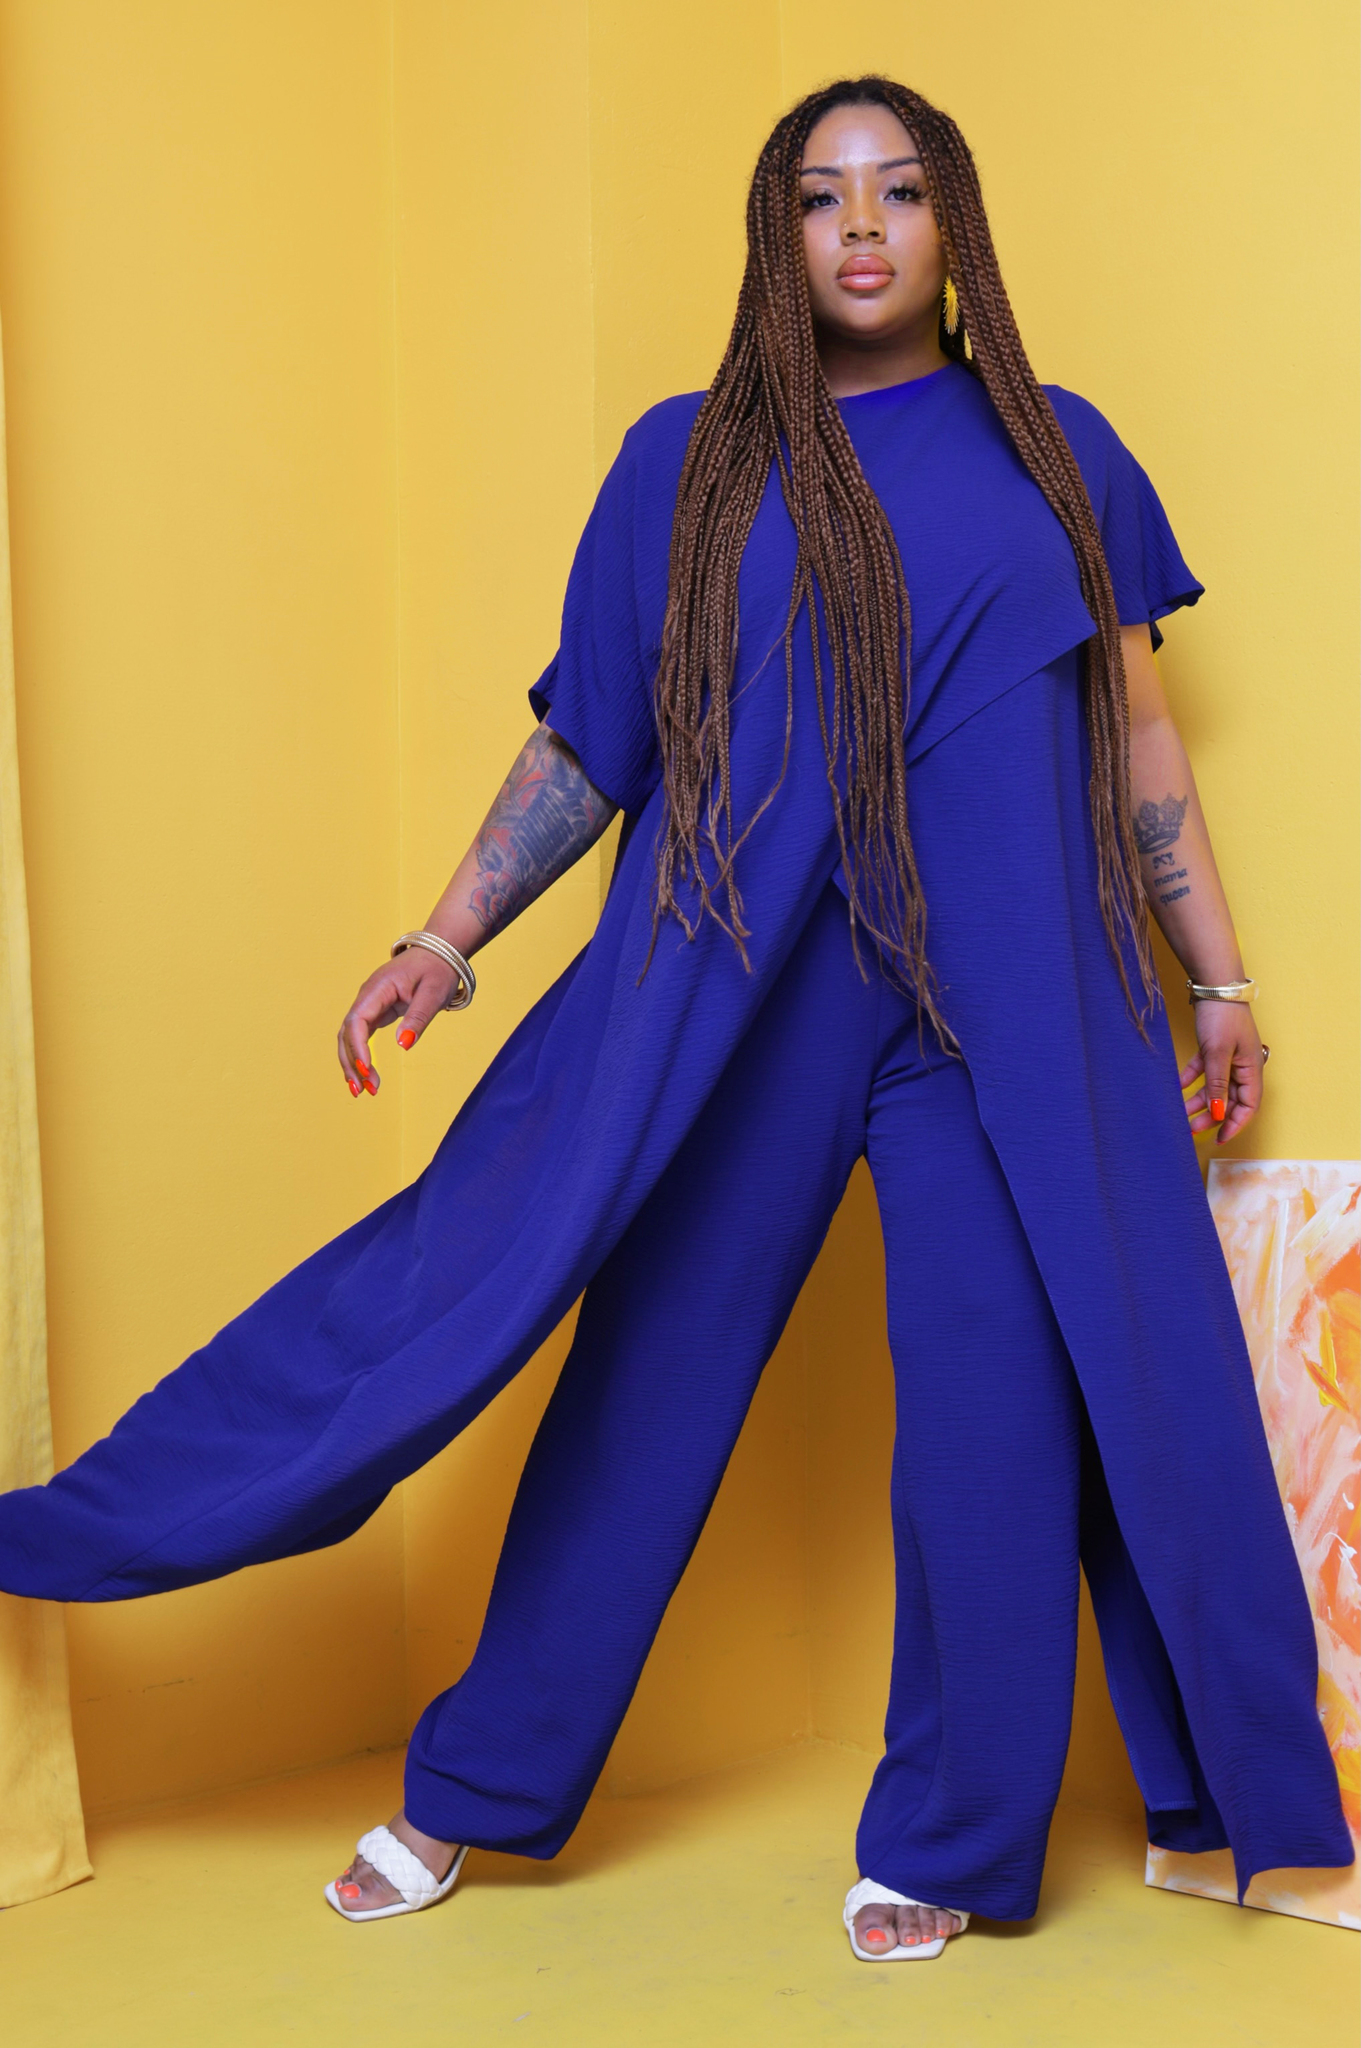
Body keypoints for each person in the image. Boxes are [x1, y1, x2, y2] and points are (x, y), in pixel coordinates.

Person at [0, 77, 1349, 1961]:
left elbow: (1135, 743)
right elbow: (591, 740)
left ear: (953, 225)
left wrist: (1216, 977)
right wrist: (447, 933)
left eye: (900, 191)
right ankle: (473, 1785)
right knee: (642, 1384)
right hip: (747, 986)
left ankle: (954, 1837)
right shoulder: (687, 464)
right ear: (774, 237)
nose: (860, 225)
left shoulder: (1060, 454)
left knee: (994, 1411)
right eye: (820, 196)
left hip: (999, 1015)